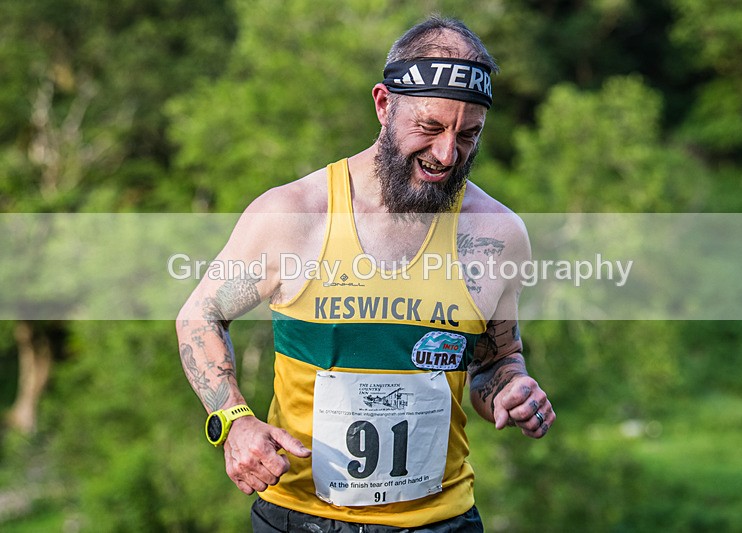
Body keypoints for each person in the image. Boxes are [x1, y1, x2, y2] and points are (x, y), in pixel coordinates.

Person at [176, 15, 554, 532]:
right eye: (429, 127)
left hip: (440, 520)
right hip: (301, 516)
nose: (447, 154)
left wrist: (512, 390)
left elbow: (495, 360)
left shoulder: (497, 235)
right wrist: (233, 421)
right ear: (383, 105)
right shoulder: (296, 214)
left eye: (468, 135)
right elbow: (200, 315)